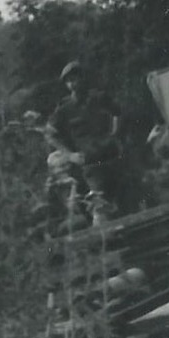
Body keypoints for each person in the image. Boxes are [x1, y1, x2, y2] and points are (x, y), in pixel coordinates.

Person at [49, 61, 122, 223]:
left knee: (127, 202)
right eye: (68, 80)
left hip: (113, 157)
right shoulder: (65, 108)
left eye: (75, 78)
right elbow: (51, 134)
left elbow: (118, 112)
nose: (73, 83)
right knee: (100, 207)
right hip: (91, 164)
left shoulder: (99, 97)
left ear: (83, 77)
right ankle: (106, 242)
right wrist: (70, 155)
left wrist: (114, 134)